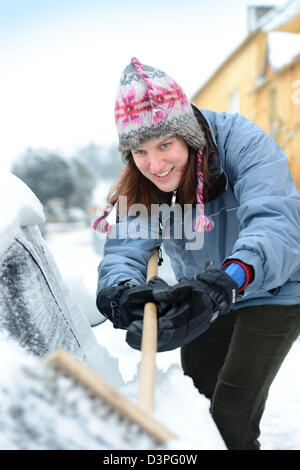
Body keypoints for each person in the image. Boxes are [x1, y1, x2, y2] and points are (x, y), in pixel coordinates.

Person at [94, 57, 300, 450]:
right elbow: (127, 244)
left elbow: (276, 221)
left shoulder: (243, 142)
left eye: (165, 144)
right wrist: (120, 291)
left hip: (274, 287)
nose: (155, 164)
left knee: (230, 422)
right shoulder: (143, 181)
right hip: (203, 290)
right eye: (139, 151)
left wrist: (230, 278)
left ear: (188, 134)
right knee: (197, 411)